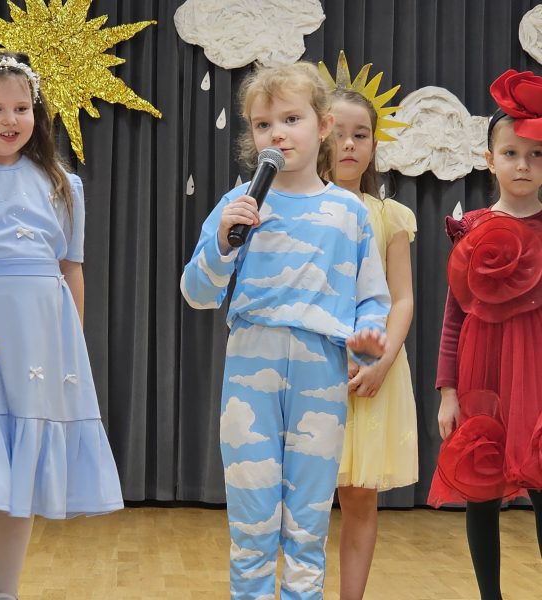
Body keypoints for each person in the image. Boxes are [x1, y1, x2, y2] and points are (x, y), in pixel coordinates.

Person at [181, 61, 390, 599]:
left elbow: (373, 298)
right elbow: (197, 292)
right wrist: (223, 241)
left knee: (307, 524)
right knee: (251, 519)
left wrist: (369, 340)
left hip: (321, 371)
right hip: (251, 364)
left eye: (291, 119)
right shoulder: (239, 204)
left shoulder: (349, 212)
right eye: (262, 124)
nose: (276, 133)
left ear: (323, 126)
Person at [0, 50, 123, 600]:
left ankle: (5, 592)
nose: (9, 120)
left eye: (21, 108)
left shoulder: (62, 183)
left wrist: (73, 346)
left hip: (41, 350)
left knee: (19, 468)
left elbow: (71, 270)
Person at [429, 68, 542, 600]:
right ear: (489, 159)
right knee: (481, 484)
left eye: (536, 154)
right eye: (511, 153)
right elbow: (454, 317)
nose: (523, 165)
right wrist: (448, 391)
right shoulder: (470, 227)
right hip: (483, 372)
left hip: (537, 374)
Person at [321, 53, 418, 600]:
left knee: (359, 496)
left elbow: (402, 299)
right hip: (316, 368)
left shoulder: (390, 217)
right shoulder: (300, 210)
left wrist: (381, 362)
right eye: (339, 133)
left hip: (372, 372)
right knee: (305, 494)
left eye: (361, 135)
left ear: (375, 144)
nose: (349, 145)